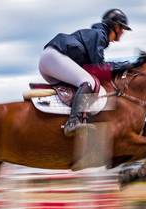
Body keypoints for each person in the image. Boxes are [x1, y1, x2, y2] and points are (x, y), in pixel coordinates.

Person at [39, 8, 134, 137]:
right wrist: (124, 66)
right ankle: (73, 122)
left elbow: (93, 69)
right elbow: (99, 68)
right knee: (88, 81)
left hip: (50, 61)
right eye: (122, 29)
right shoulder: (99, 35)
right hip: (53, 57)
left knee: (81, 83)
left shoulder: (96, 35)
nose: (123, 32)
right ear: (116, 27)